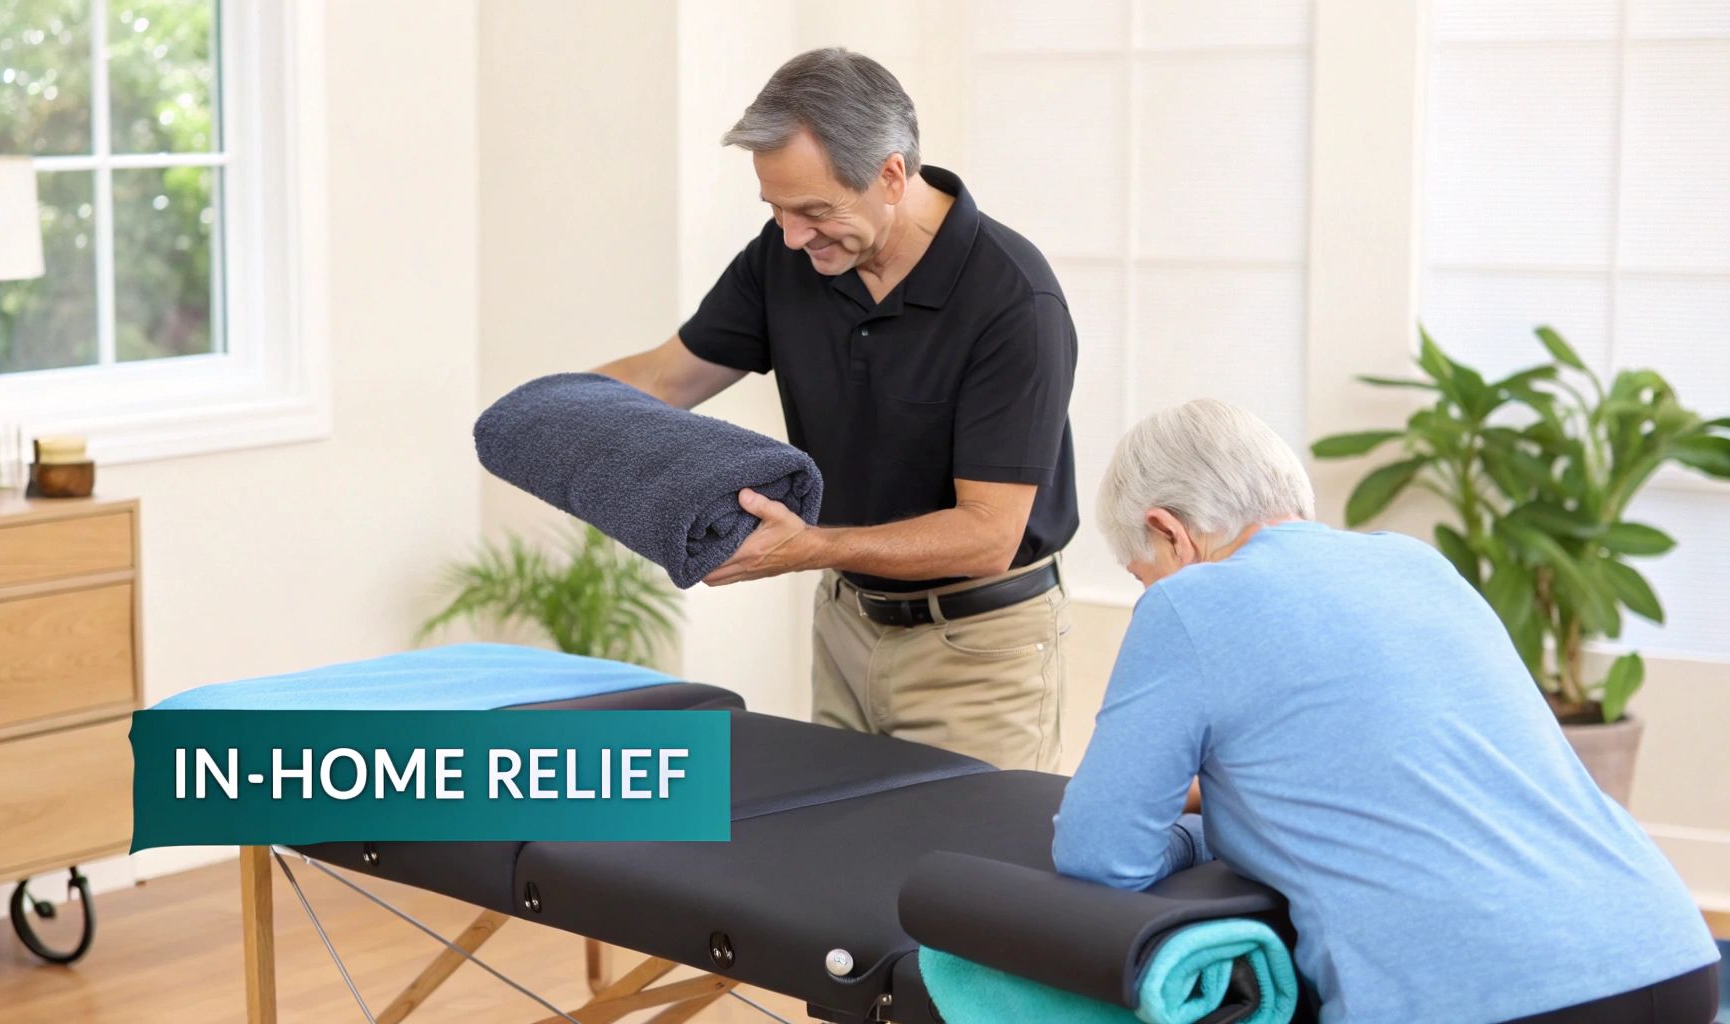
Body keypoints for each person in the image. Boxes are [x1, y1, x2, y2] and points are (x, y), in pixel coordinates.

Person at [1052, 398, 1721, 1023]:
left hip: (1491, 994)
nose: (1150, 593)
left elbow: (1101, 852)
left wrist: (1198, 833)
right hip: (1668, 952)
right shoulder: (1417, 565)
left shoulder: (1188, 603)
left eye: (1144, 574)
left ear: (1168, 531)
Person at [595, 48, 1078, 771]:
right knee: (837, 871)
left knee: (958, 878)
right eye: (777, 210)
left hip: (979, 650)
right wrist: (543, 410)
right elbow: (666, 378)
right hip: (848, 624)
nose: (792, 236)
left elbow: (988, 535)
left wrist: (809, 548)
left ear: (891, 175)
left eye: (815, 211)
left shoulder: (1011, 300)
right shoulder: (788, 257)